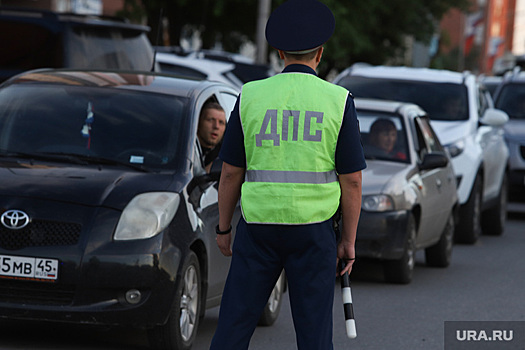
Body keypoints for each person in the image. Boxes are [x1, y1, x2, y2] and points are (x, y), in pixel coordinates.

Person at [210, 0, 366, 349]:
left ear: (280, 53)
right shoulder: (338, 100)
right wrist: (348, 243)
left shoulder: (250, 95)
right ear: (320, 54)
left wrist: (223, 228)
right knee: (313, 335)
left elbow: (231, 172)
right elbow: (352, 181)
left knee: (233, 326)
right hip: (314, 232)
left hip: (259, 228)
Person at [196, 101, 226, 173]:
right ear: (198, 122)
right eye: (210, 120)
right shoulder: (183, 148)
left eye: (221, 122)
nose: (216, 126)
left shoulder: (224, 155)